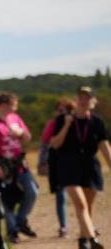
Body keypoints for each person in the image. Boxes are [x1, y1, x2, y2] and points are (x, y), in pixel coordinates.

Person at [48, 86, 111, 249]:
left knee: (88, 206)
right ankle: (93, 239)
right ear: (76, 99)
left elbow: (104, 145)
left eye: (87, 98)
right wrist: (67, 125)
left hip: (90, 166)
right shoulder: (63, 119)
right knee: (80, 204)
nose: (83, 101)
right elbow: (55, 144)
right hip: (68, 165)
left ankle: (83, 241)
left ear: (93, 102)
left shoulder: (97, 122)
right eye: (80, 97)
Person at [0, 92, 37, 243]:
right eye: (13, 106)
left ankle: (21, 220)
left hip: (19, 163)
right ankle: (12, 231)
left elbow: (27, 137)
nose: (15, 109)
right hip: (3, 164)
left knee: (32, 191)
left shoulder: (15, 118)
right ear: (4, 105)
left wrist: (21, 133)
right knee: (7, 199)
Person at [38, 98, 75, 237]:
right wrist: (42, 163)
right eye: (60, 110)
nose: (63, 112)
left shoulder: (77, 123)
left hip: (74, 164)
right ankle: (63, 226)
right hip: (57, 164)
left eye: (66, 109)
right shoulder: (52, 124)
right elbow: (45, 143)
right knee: (61, 196)